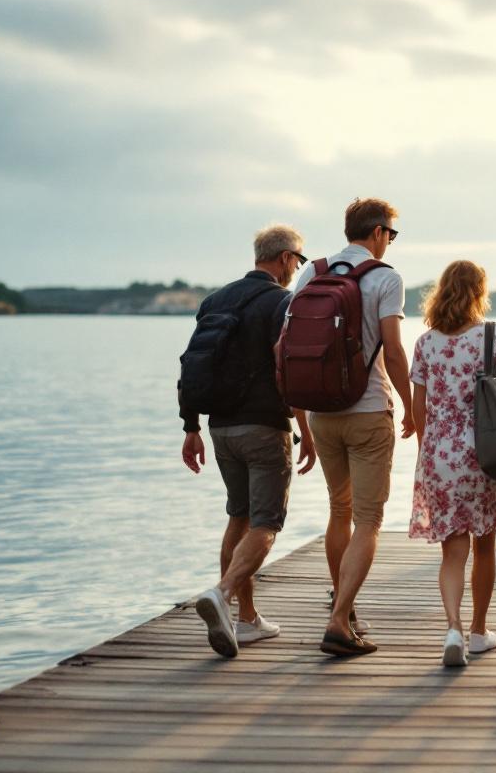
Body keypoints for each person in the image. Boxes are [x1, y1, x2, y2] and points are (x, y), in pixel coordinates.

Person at [181, 225, 316, 659]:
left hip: (220, 429)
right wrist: (306, 430)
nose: (297, 268)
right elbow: (286, 368)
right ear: (283, 259)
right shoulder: (282, 302)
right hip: (263, 427)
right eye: (298, 260)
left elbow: (192, 364)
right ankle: (222, 594)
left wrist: (190, 428)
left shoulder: (215, 301)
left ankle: (247, 619)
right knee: (266, 523)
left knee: (238, 516)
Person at [295, 198, 414, 658]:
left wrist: (300, 414)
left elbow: (289, 342)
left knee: (338, 509)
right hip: (367, 410)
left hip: (322, 412)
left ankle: (343, 605)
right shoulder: (386, 278)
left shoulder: (313, 272)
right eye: (392, 234)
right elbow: (395, 350)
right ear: (380, 233)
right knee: (369, 519)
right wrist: (411, 407)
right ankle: (340, 619)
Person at [408, 261, 496, 667]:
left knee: (452, 553)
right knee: (485, 545)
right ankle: (479, 631)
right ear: (479, 292)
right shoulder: (494, 336)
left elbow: (418, 408)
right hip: (487, 454)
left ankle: (453, 628)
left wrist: (430, 451)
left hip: (441, 457)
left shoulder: (426, 342)